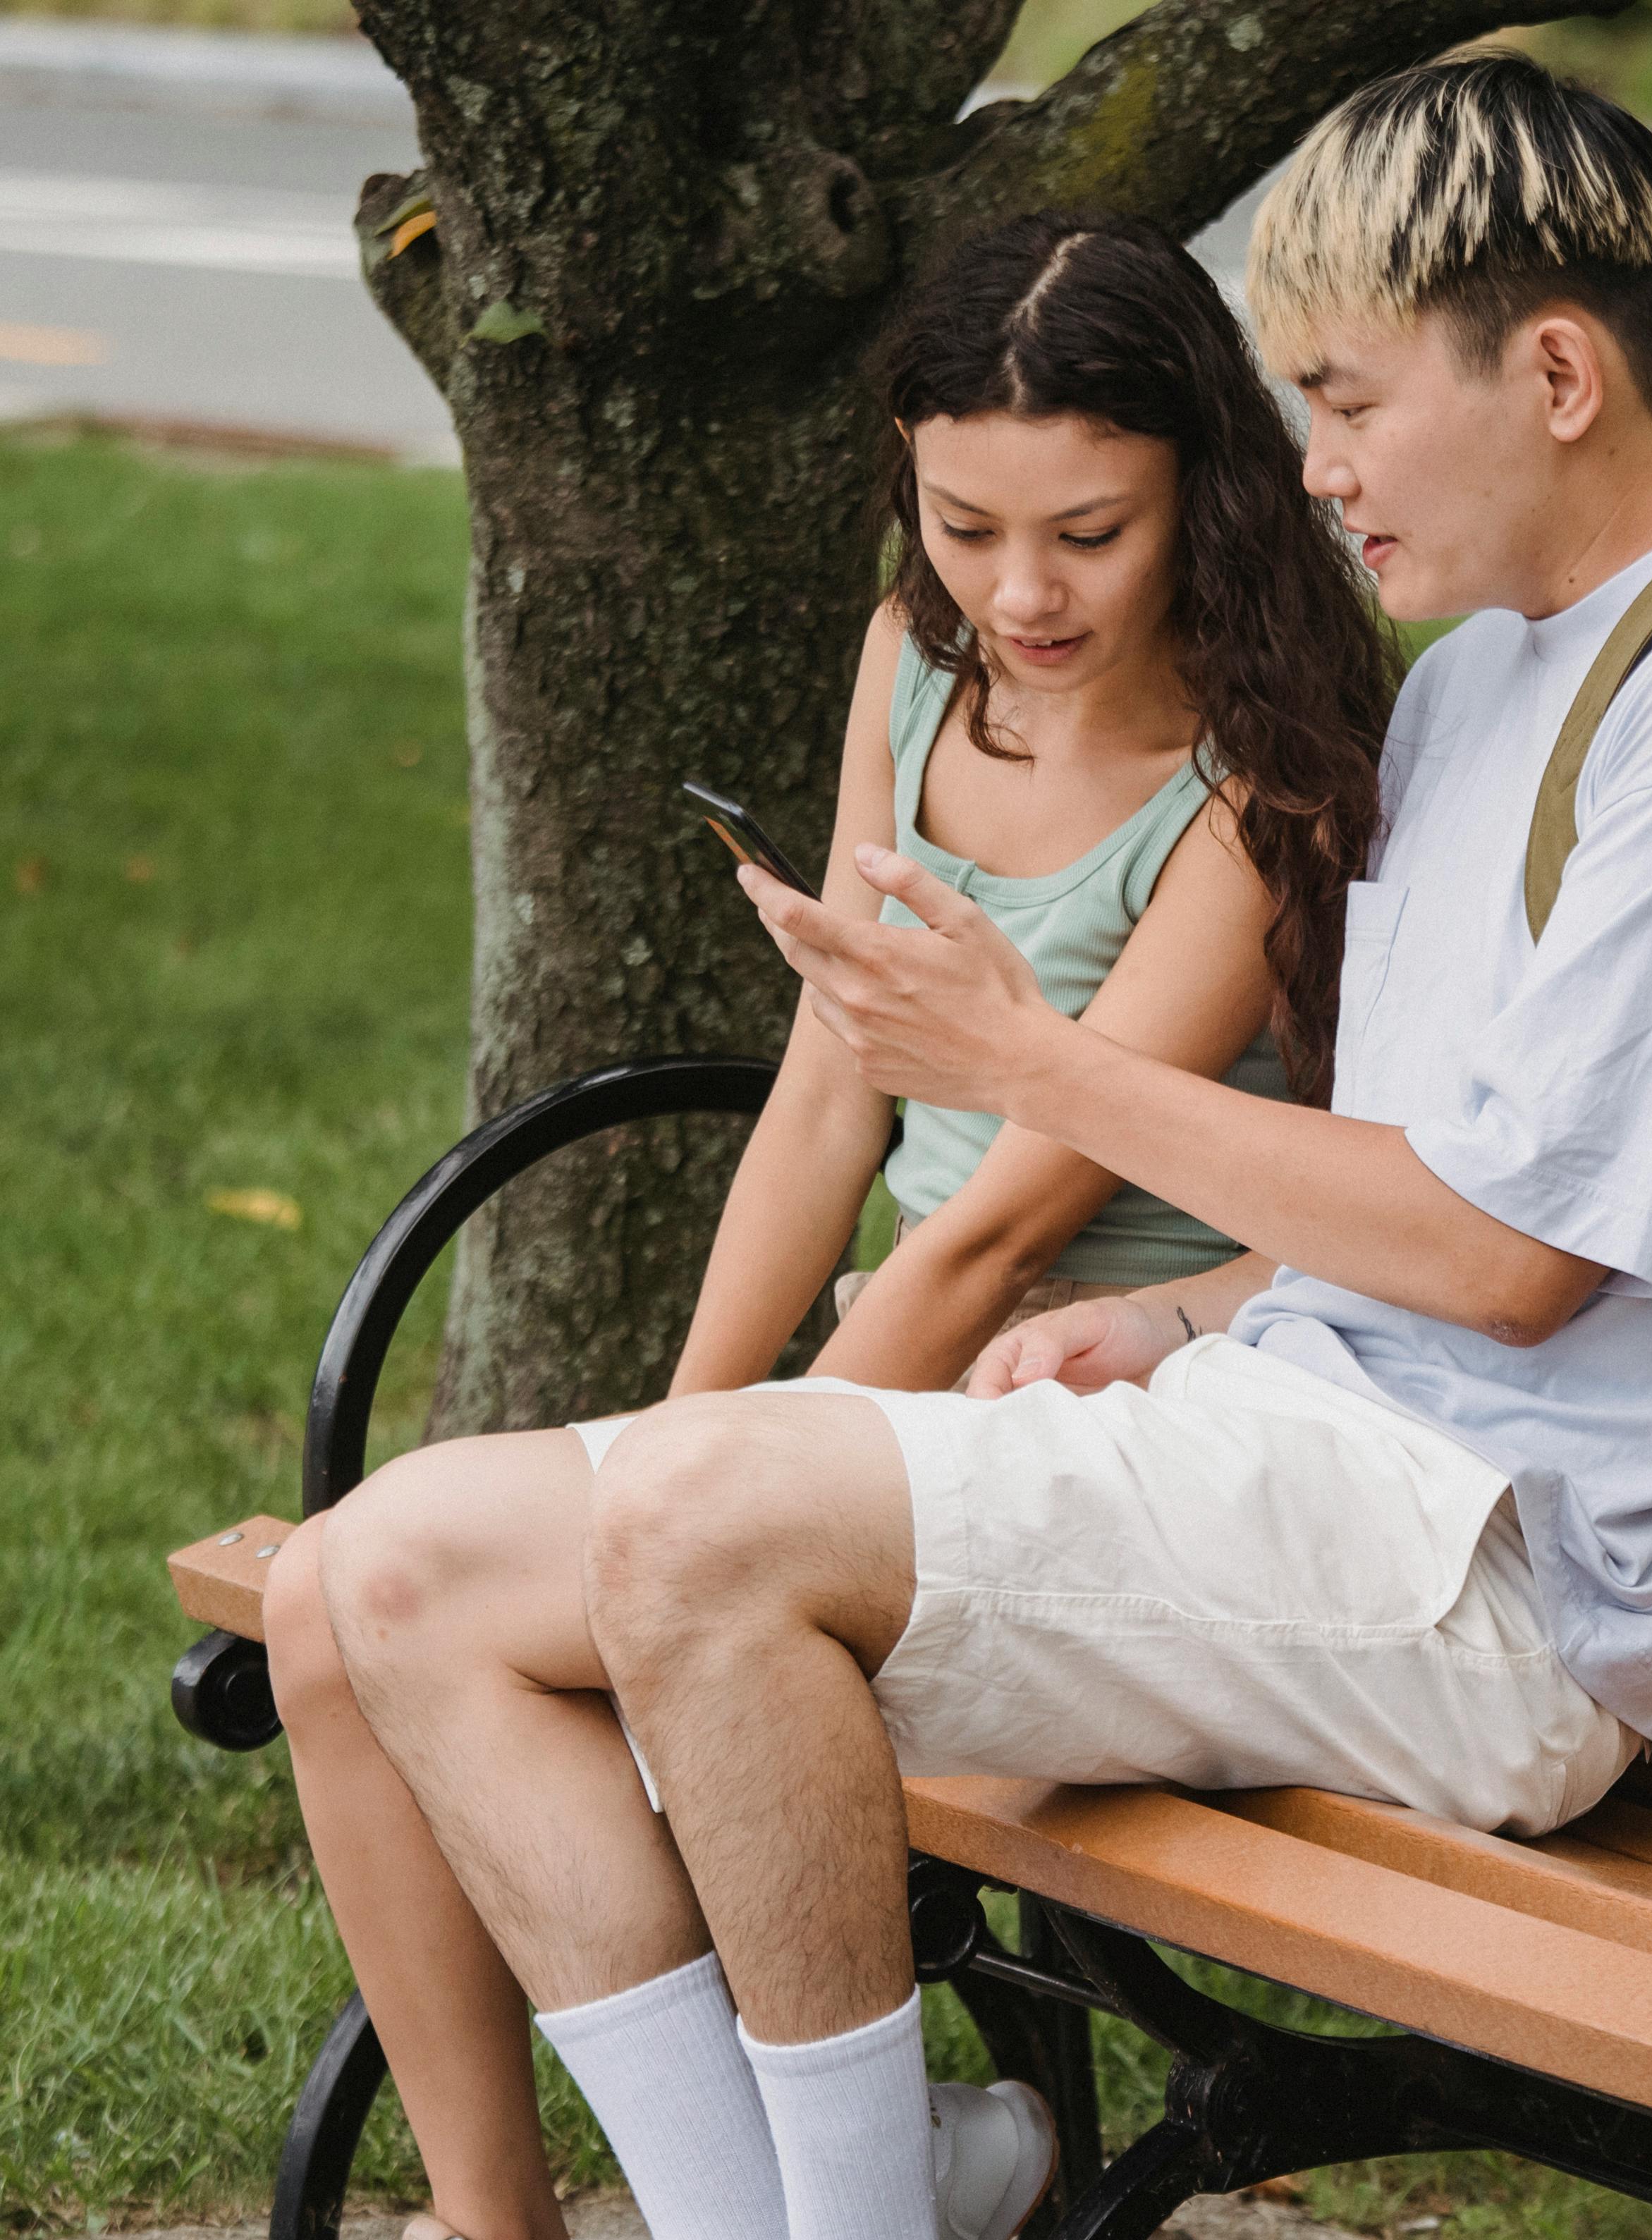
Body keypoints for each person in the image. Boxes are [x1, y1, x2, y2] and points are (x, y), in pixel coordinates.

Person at [301, 49, 1652, 2240]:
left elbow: (1513, 1264)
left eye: (1350, 401)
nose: (1321, 466)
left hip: (1515, 1581)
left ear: (1554, 369)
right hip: (1319, 1449)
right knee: (393, 1570)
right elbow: (1415, 1181)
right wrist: (1173, 1312)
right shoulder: (1485, 681)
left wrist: (1035, 1062)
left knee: (708, 1515)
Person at [257, 214, 1393, 2240]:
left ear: (1202, 493)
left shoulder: (1255, 766)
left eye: (1089, 534)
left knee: (432, 1592)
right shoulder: (915, 660)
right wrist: (673, 1446)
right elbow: (821, 1096)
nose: (1018, 593)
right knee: (320, 1609)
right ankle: (493, 2216)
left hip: (1089, 1402)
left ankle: (860, 2189)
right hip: (889, 1388)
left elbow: (995, 1232)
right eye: (966, 525)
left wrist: (661, 1520)